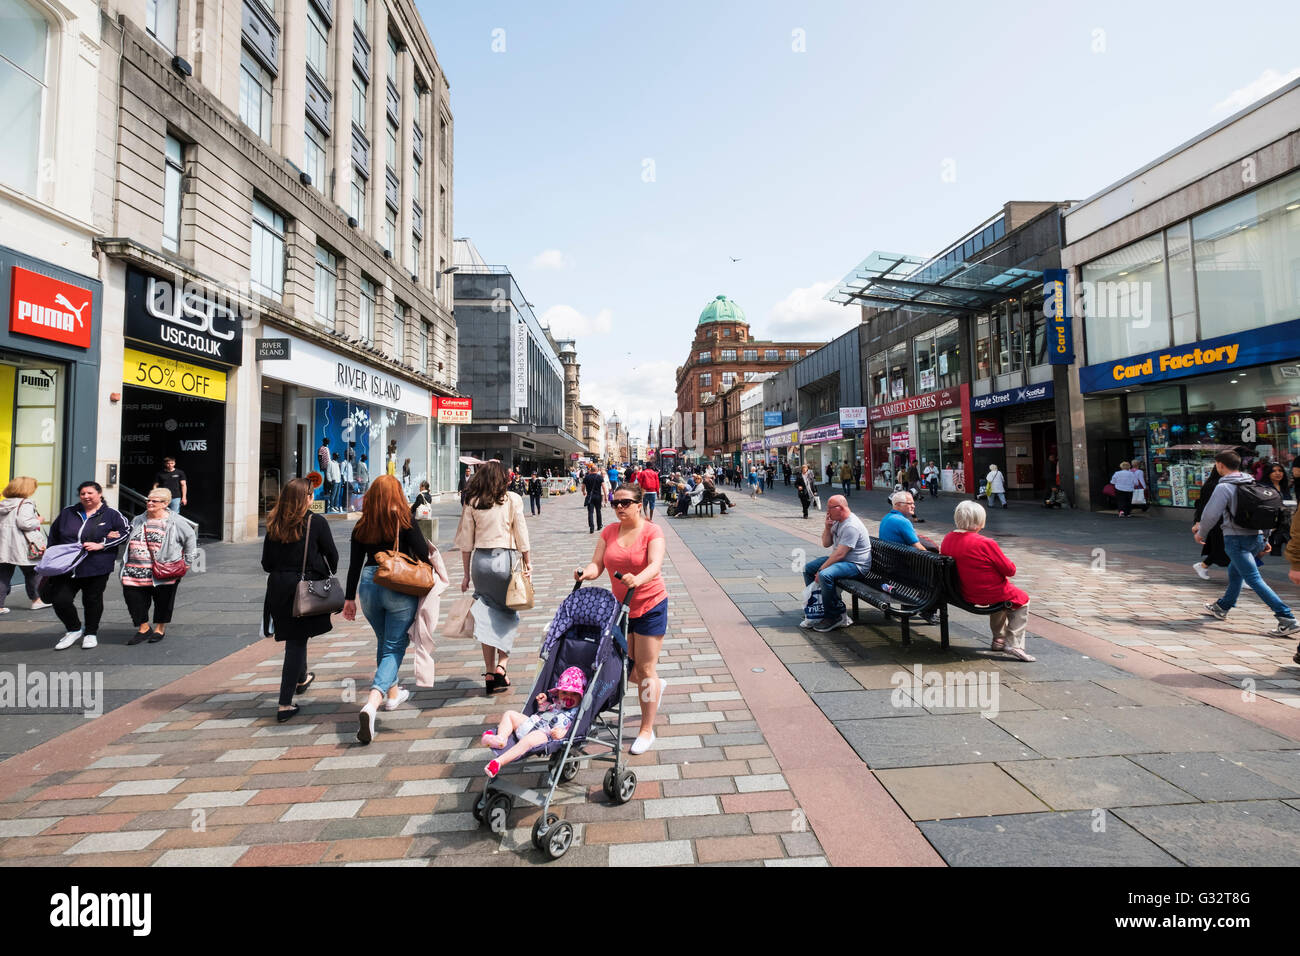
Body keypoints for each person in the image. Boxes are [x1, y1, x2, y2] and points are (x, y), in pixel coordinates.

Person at [574, 481, 668, 754]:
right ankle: (655, 688)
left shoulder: (652, 530)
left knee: (646, 669)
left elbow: (655, 565)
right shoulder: (609, 531)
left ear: (639, 504)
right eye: (615, 503)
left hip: (650, 604)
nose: (619, 508)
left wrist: (636, 579)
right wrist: (586, 573)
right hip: (620, 608)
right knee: (628, 670)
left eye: (625, 503)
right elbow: (597, 565)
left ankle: (646, 730)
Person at [344, 475, 434, 744]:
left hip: (368, 585)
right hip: (398, 584)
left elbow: (353, 565)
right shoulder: (404, 519)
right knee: (394, 646)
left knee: (384, 642)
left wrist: (349, 599)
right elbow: (422, 553)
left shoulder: (363, 523)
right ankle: (372, 703)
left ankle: (393, 696)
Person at [261, 477, 339, 722]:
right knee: (295, 643)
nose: (312, 497)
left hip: (278, 587)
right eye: (310, 494)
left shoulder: (273, 522)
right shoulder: (315, 522)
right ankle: (284, 704)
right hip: (303, 588)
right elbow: (332, 556)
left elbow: (266, 563)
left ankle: (302, 678)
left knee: (297, 637)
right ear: (306, 498)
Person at [1197, 450, 1298, 636]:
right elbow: (1266, 511)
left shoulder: (1224, 487)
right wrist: (1264, 538)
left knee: (1253, 578)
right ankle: (1222, 606)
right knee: (1235, 573)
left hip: (1236, 539)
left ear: (1219, 465)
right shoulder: (1252, 483)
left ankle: (1286, 617)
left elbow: (1211, 514)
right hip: (1256, 537)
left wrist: (1201, 532)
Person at [454, 460, 531, 698]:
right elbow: (521, 534)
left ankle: (489, 672)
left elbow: (466, 543)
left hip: (481, 561)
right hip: (503, 558)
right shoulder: (512, 500)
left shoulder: (472, 502)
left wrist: (466, 574)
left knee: (486, 618)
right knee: (509, 612)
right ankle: (502, 665)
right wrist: (528, 562)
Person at [941, 500, 1036, 661]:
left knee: (1003, 598)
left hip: (960, 590)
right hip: (984, 592)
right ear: (979, 521)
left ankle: (999, 638)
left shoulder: (948, 538)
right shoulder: (985, 543)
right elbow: (1010, 570)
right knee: (1021, 600)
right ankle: (1014, 643)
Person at [48, 482, 130, 650]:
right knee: (60, 599)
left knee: (92, 599)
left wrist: (103, 544)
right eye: (83, 493)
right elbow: (54, 534)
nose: (86, 496)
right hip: (67, 565)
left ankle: (91, 633)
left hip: (97, 565)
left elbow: (126, 532)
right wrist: (51, 554)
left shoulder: (111, 514)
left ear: (99, 494)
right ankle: (74, 629)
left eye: (90, 493)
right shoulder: (68, 512)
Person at [120, 488, 198, 645]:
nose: (149, 503)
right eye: (148, 500)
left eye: (154, 501)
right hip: (134, 571)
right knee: (134, 601)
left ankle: (159, 628)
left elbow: (190, 539)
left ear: (165, 503)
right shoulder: (138, 520)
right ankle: (143, 628)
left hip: (164, 572)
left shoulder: (176, 522)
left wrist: (188, 563)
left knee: (163, 602)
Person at [482, 667, 586, 778]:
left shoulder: (577, 712)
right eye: (564, 692)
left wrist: (565, 733)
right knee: (509, 714)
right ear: (558, 692)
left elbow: (577, 729)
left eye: (574, 694)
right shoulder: (557, 702)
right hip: (531, 723)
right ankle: (500, 738)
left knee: (530, 739)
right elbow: (545, 712)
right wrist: (543, 703)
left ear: (581, 696)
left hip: (544, 735)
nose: (568, 697)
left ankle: (498, 762)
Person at [800, 495, 871, 633]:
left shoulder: (851, 526)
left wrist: (821, 570)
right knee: (808, 569)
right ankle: (818, 606)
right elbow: (826, 543)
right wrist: (827, 527)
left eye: (829, 508)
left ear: (841, 508)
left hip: (856, 565)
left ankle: (834, 615)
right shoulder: (838, 521)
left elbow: (840, 554)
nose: (827, 511)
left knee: (824, 575)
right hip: (842, 561)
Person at [0, 476, 49, 612]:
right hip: (23, 546)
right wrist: (38, 520)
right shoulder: (25, 503)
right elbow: (25, 523)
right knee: (33, 573)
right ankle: (36, 600)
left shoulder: (3, 504)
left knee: (3, 575)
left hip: (4, 546)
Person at [1191, 466, 1229, 580]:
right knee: (1224, 548)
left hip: (1228, 521)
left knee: (1223, 549)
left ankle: (1203, 566)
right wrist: (1198, 523)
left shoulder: (1232, 483)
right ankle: (1243, 578)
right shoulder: (1212, 485)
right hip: (1217, 522)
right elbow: (1202, 505)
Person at [1261, 462, 1293, 561]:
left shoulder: (1285, 487)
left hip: (1285, 524)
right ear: (1268, 473)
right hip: (1270, 525)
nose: (1278, 473)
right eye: (1274, 471)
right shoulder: (1263, 487)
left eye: (1280, 471)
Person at [582, 462, 607, 533]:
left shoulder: (586, 477)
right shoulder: (599, 477)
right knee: (598, 511)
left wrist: (584, 492)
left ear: (591, 470)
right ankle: (599, 525)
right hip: (598, 496)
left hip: (590, 496)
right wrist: (605, 496)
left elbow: (583, 487)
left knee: (590, 512)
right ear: (597, 470)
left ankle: (591, 527)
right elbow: (604, 487)